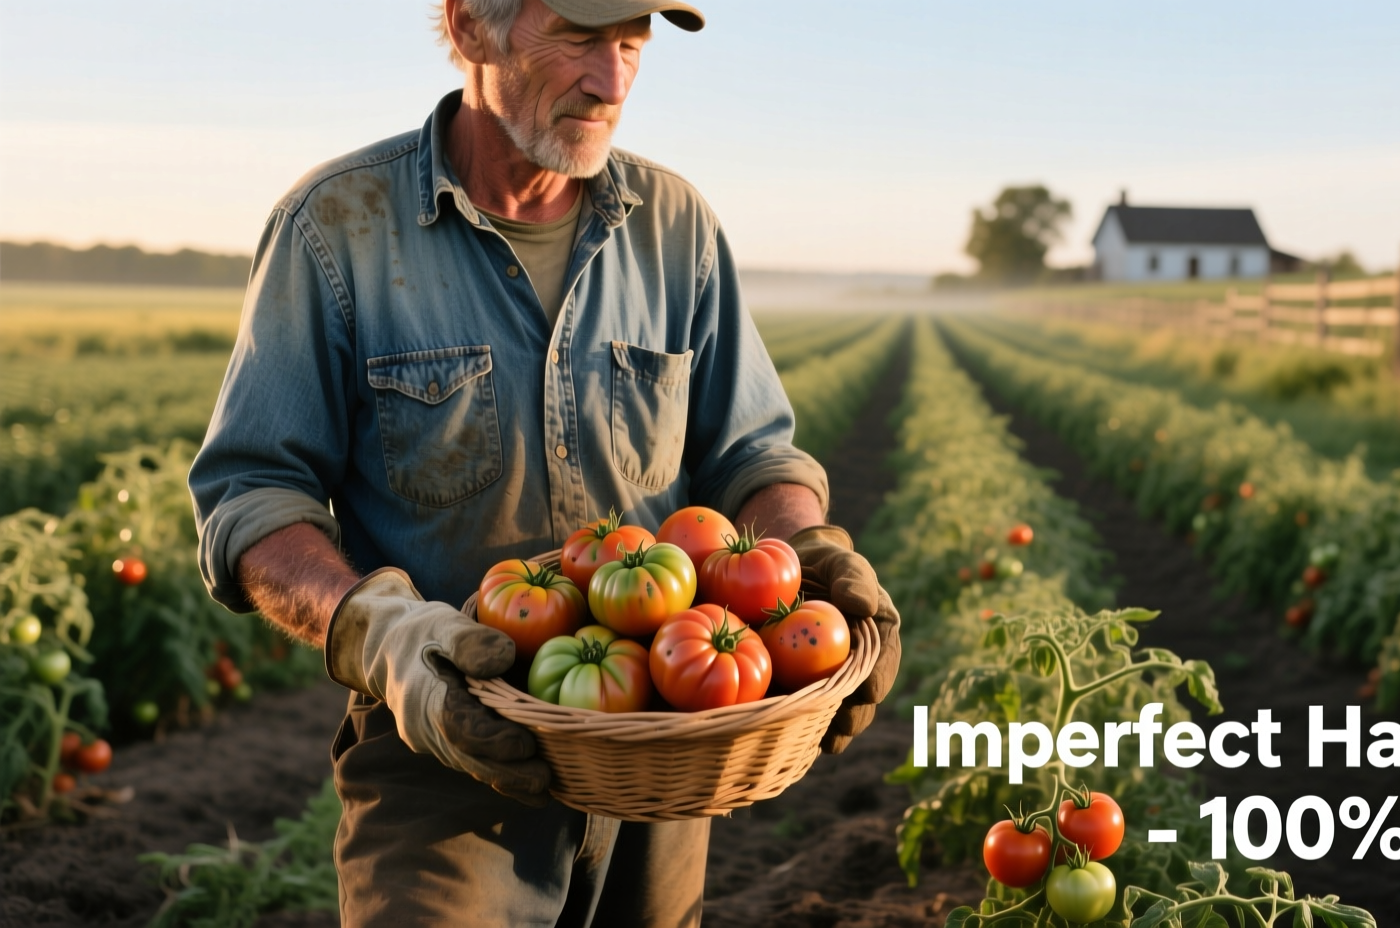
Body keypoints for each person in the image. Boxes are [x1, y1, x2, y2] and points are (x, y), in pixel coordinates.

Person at [187, 1, 901, 924]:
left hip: (665, 742)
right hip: (444, 761)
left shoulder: (675, 227)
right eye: (577, 37)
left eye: (631, 44)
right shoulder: (337, 229)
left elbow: (751, 453)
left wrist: (810, 552)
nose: (611, 81)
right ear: (471, 27)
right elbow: (252, 497)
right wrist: (388, 637)